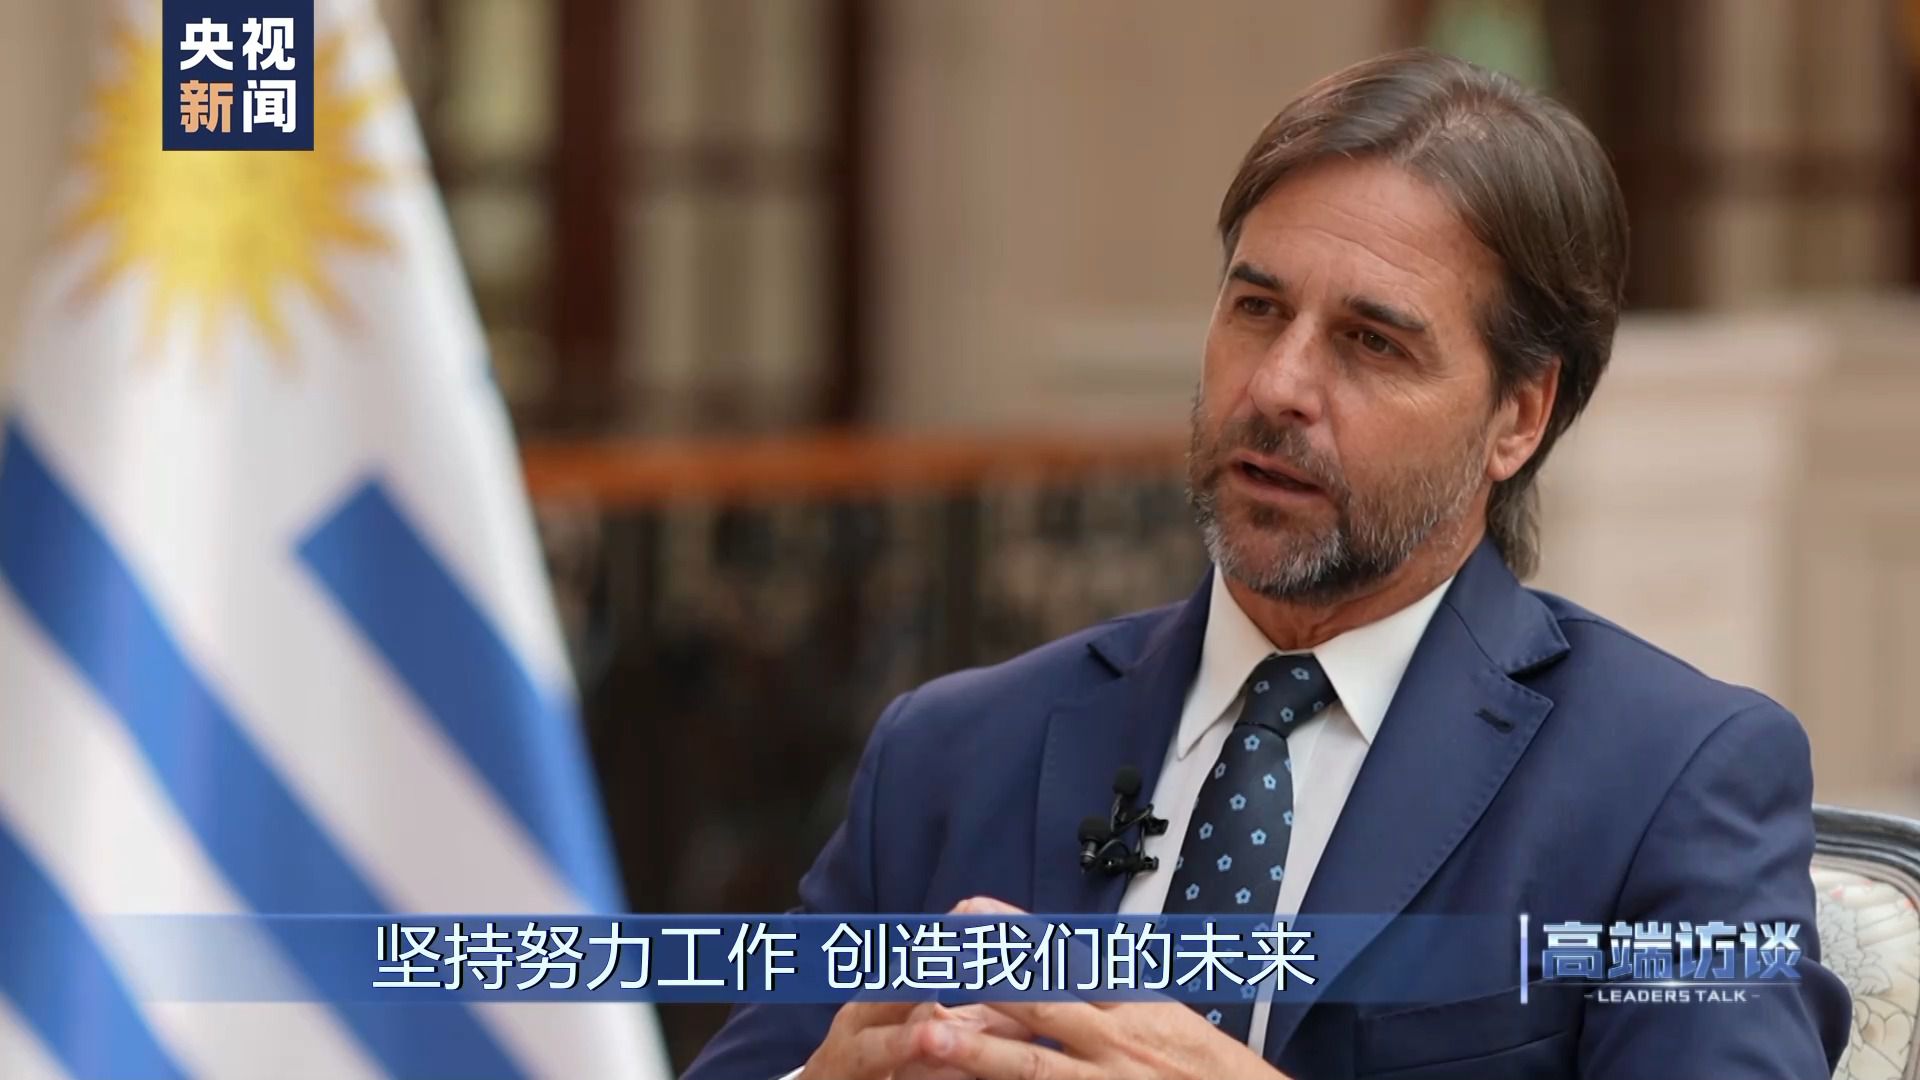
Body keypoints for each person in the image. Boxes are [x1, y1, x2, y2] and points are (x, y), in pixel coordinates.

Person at [683, 49, 1852, 1080]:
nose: (1279, 386)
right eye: (1255, 309)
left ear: (1519, 416)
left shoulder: (1667, 783)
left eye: (1371, 342)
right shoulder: (951, 756)